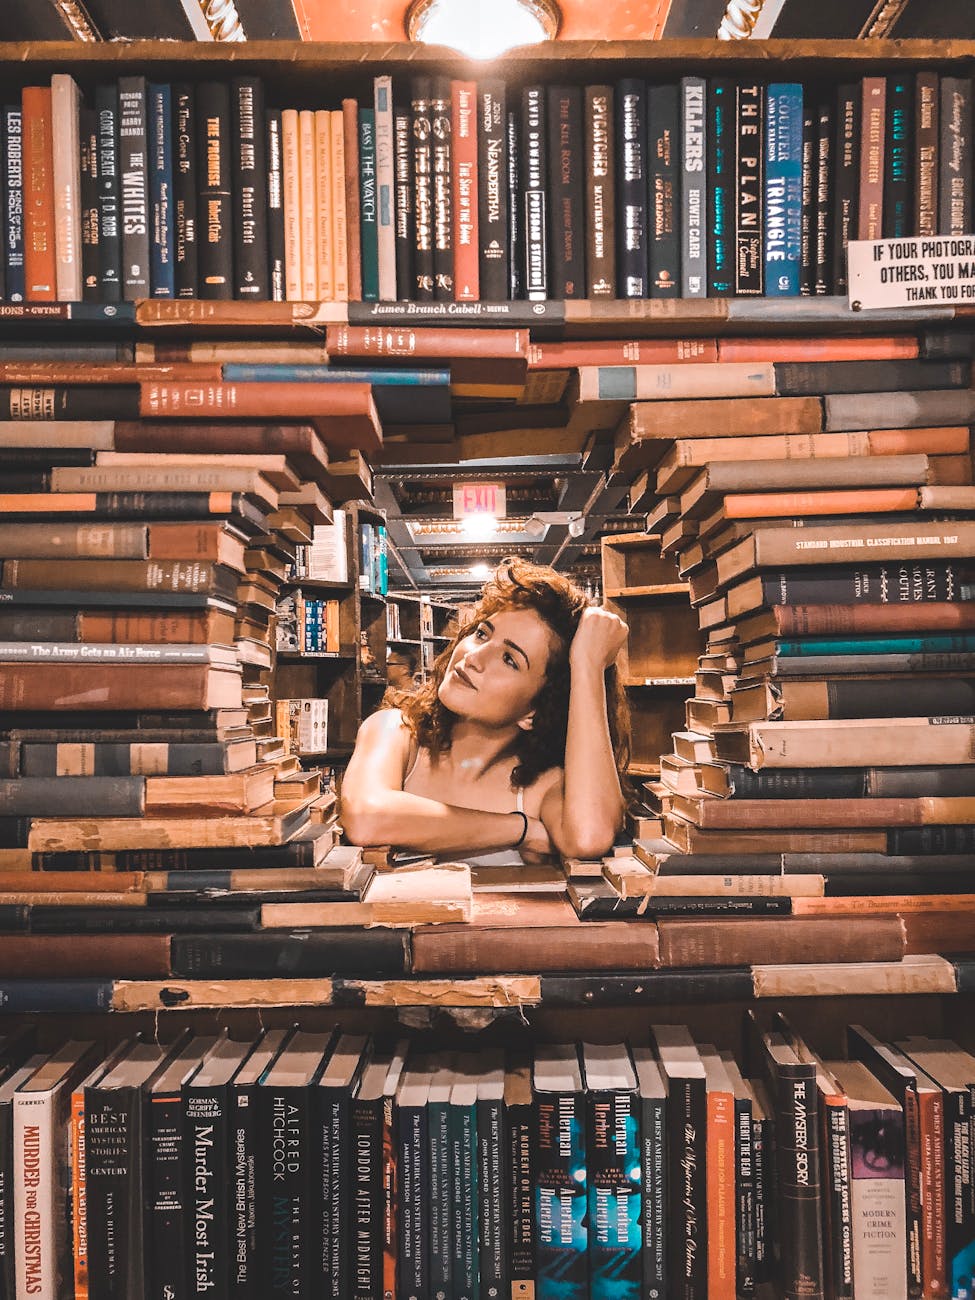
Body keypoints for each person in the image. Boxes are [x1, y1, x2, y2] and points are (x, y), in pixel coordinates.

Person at [341, 557, 630, 863]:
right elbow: (365, 818)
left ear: (534, 712)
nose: (474, 657)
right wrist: (522, 829)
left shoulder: (542, 786)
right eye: (482, 634)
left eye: (509, 659)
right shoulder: (395, 731)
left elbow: (589, 837)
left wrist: (588, 665)